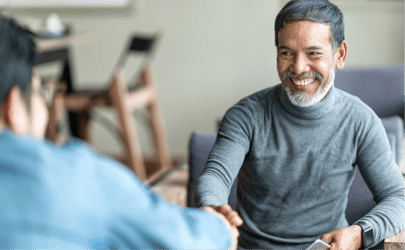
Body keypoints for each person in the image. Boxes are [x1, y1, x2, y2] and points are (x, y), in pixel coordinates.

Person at [0, 14, 241, 248]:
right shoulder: (78, 181)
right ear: (13, 107)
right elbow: (189, 242)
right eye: (40, 92)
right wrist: (219, 227)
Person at [194, 0, 404, 249]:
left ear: (340, 55)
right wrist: (212, 206)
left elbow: (397, 197)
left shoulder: (361, 120)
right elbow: (216, 176)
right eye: (286, 53)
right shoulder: (245, 115)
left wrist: (359, 233)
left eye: (313, 53)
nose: (298, 68)